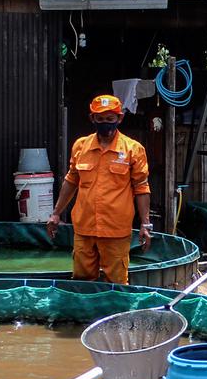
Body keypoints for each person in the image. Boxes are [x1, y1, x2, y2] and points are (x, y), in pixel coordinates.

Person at [46, 94, 152, 284]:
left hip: (116, 230)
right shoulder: (81, 146)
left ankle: (117, 313)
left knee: (117, 282)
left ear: (119, 118)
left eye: (110, 119)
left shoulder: (133, 149)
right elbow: (71, 181)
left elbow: (141, 187)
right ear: (92, 119)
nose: (105, 123)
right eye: (100, 119)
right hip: (84, 228)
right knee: (82, 280)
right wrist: (56, 213)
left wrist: (145, 224)